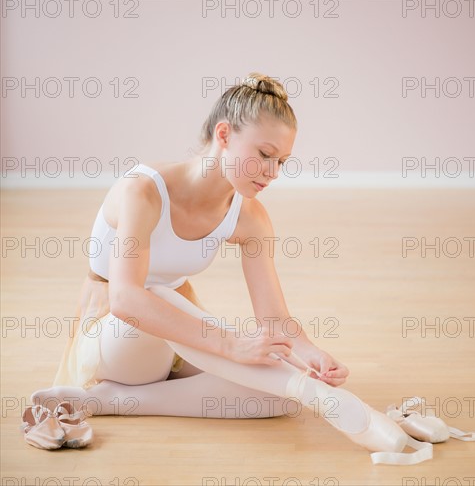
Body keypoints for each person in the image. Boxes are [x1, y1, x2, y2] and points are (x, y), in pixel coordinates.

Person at [30, 72, 411, 456]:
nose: (273, 172)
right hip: (118, 341)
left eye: (282, 161)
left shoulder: (250, 217)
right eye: (264, 155)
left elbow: (274, 319)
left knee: (281, 394)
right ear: (224, 135)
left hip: (178, 340)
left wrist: (309, 352)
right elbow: (127, 300)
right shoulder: (142, 191)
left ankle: (104, 401)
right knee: (155, 292)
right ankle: (329, 404)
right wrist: (230, 344)